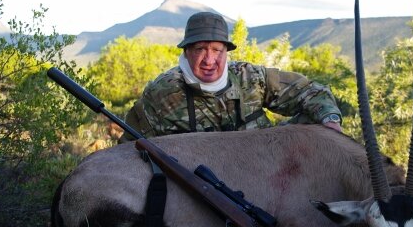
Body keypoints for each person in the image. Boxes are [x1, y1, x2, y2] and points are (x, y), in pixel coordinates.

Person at [120, 11, 342, 141]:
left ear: (226, 51)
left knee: (317, 120)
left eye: (217, 50)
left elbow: (311, 91)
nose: (209, 60)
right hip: (196, 191)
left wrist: (330, 121)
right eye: (200, 49)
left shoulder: (250, 77)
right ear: (186, 51)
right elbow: (129, 149)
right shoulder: (161, 94)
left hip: (265, 169)